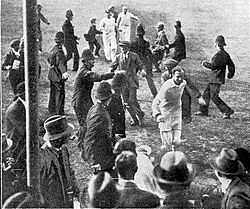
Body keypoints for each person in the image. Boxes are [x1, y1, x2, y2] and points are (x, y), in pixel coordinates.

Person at [72, 49, 114, 144]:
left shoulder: (84, 70)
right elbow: (99, 77)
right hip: (80, 102)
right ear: (85, 61)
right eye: (91, 60)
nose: (93, 62)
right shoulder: (84, 72)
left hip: (85, 100)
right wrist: (113, 74)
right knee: (85, 124)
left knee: (90, 120)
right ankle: (81, 143)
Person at [40, 115, 79, 208]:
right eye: (67, 135)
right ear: (59, 138)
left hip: (67, 201)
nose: (70, 137)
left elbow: (69, 171)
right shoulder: (43, 158)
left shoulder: (64, 149)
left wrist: (76, 192)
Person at [195, 35, 235, 119]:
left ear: (216, 44)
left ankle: (227, 111)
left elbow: (213, 66)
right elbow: (231, 65)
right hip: (216, 79)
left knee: (214, 97)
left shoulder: (218, 55)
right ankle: (203, 111)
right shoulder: (226, 54)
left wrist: (205, 64)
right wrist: (230, 73)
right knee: (206, 94)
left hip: (215, 79)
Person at [81, 82, 116, 177]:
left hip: (95, 149)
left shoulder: (94, 108)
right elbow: (95, 138)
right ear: (108, 98)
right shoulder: (101, 114)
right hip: (98, 153)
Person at [110, 41, 147, 126]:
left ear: (128, 47)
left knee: (132, 100)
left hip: (132, 81)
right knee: (126, 102)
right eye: (121, 47)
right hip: (122, 82)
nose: (122, 49)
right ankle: (134, 119)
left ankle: (140, 116)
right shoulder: (118, 57)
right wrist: (110, 70)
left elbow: (141, 65)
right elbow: (112, 66)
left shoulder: (134, 56)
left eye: (124, 47)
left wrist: (143, 71)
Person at [152, 66, 187, 150]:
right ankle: (165, 159)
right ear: (172, 75)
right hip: (165, 115)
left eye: (181, 76)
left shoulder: (183, 83)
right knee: (167, 145)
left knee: (176, 142)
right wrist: (158, 114)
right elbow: (156, 102)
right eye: (177, 77)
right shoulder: (167, 86)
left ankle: (174, 157)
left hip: (177, 114)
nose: (180, 79)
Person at [130, 23, 158, 97]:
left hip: (135, 63)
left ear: (136, 34)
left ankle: (132, 95)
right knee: (149, 79)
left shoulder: (133, 43)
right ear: (143, 33)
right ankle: (155, 94)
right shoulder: (146, 43)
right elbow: (150, 55)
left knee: (132, 79)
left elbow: (131, 54)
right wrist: (154, 66)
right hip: (144, 62)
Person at [5, 82, 26, 174]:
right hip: (15, 145)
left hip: (23, 141)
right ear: (23, 94)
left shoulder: (25, 104)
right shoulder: (14, 110)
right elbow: (24, 130)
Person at [47, 31, 69, 115]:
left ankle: (51, 109)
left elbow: (49, 59)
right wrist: (64, 72)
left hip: (52, 74)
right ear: (63, 39)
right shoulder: (60, 51)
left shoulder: (53, 48)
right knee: (60, 94)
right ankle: (59, 112)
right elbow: (61, 63)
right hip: (58, 75)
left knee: (53, 92)